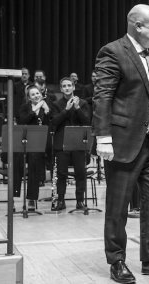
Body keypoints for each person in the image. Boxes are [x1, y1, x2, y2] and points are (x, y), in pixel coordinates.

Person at [93, 4, 149, 283]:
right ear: (137, 26)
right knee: (118, 207)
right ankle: (117, 260)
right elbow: (103, 96)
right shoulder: (113, 51)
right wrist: (103, 137)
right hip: (123, 142)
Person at [51, 77, 91, 211]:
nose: (67, 88)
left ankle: (80, 201)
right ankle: (60, 201)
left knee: (80, 173)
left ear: (74, 87)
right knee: (61, 174)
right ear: (61, 89)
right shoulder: (56, 104)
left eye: (69, 85)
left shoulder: (83, 103)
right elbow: (54, 122)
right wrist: (66, 110)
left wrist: (77, 108)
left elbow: (87, 122)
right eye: (64, 86)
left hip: (78, 143)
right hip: (62, 144)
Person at [18, 85, 53, 210]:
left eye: (37, 93)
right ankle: (32, 199)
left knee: (56, 159)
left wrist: (47, 111)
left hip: (47, 141)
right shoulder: (25, 107)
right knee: (33, 167)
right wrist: (35, 109)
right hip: (32, 142)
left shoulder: (47, 106)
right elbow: (23, 121)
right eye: (33, 94)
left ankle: (57, 197)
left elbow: (52, 123)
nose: (36, 96)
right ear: (29, 97)